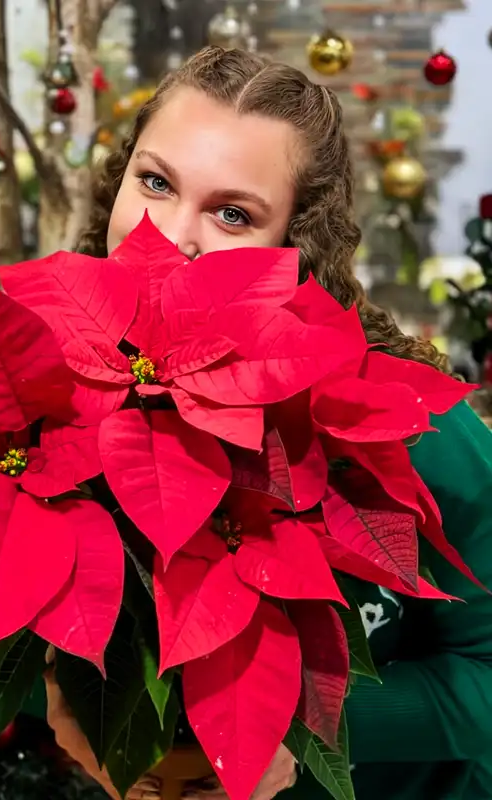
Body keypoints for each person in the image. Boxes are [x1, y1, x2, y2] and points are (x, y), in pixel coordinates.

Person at [44, 46, 492, 800]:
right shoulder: (47, 392)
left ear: (294, 244)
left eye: (232, 214)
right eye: (155, 182)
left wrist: (301, 726)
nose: (171, 237)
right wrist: (64, 701)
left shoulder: (406, 425)